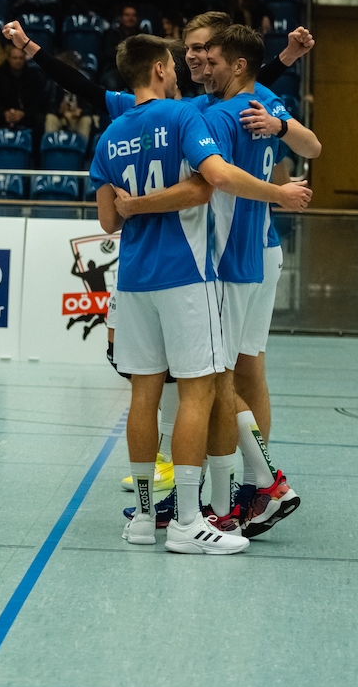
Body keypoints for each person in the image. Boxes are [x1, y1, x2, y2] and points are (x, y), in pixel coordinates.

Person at [87, 34, 308, 554]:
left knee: (143, 396)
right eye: (176, 59)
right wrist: (278, 193)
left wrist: (135, 205)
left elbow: (108, 221)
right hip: (186, 274)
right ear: (161, 69)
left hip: (133, 279)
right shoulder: (183, 116)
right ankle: (192, 520)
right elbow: (211, 182)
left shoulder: (109, 136)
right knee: (200, 391)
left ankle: (146, 518)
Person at [0, 43, 45, 134]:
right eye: (15, 58)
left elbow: (38, 100)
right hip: (3, 114)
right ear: (9, 59)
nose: (18, 61)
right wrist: (4, 112)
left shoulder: (33, 76)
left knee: (40, 118)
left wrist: (24, 113)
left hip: (26, 115)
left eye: (21, 58)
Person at [99, 5, 142, 90]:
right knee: (112, 83)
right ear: (121, 17)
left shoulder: (142, 35)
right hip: (115, 69)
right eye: (127, 15)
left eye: (133, 15)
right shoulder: (111, 34)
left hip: (137, 71)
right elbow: (109, 53)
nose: (130, 18)